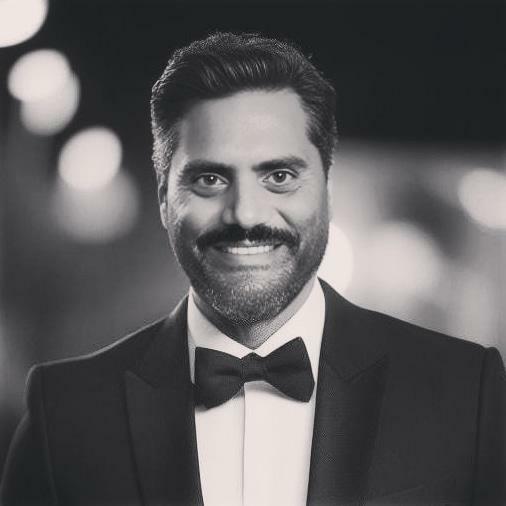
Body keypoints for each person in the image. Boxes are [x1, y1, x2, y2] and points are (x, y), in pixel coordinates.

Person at [1, 31, 505, 506]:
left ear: (326, 192)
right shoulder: (64, 414)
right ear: (164, 200)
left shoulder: (467, 393)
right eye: (210, 179)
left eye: (279, 176)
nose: (245, 214)